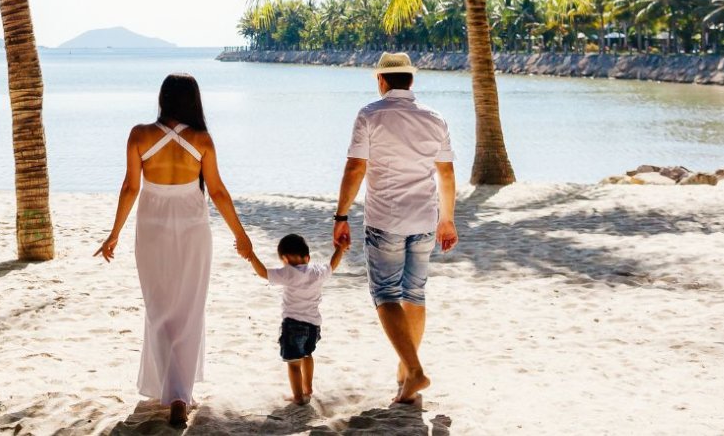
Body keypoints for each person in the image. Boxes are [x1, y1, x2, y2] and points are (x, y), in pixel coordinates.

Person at [96, 73, 254, 429]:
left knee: (158, 308)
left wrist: (114, 233)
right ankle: (179, 395)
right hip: (193, 229)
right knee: (189, 308)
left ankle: (174, 390)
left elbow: (130, 188)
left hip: (151, 229)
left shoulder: (139, 135)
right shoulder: (202, 140)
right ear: (193, 101)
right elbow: (218, 192)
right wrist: (241, 235)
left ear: (163, 98)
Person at [330, 53, 460, 405]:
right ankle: (406, 373)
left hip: (385, 220)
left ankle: (414, 370)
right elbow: (446, 174)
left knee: (385, 294)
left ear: (381, 80)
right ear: (411, 81)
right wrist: (447, 219)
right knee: (414, 294)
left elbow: (355, 168)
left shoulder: (369, 115)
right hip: (424, 220)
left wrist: (341, 216)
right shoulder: (435, 118)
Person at [237, 233, 346, 405]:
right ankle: (307, 389)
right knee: (308, 355)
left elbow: (263, 273)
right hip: (314, 326)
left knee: (294, 364)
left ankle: (298, 397)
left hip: (293, 326)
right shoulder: (317, 272)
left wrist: (251, 256)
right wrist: (340, 249)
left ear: (285, 259)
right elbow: (333, 265)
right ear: (307, 257)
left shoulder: (288, 273)